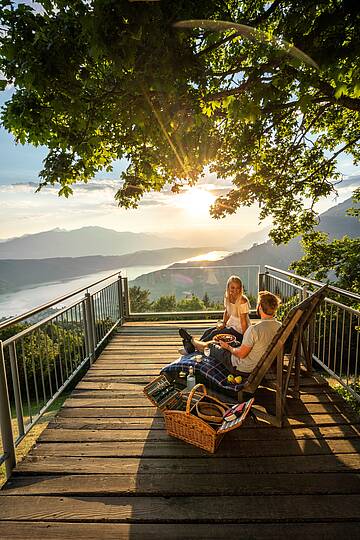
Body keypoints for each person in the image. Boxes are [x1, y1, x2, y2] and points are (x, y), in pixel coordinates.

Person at [179, 291, 281, 376]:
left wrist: (228, 347)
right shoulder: (279, 326)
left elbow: (241, 354)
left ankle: (192, 341)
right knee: (230, 342)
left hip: (242, 367)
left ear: (260, 308)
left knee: (211, 345)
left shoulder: (254, 330)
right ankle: (194, 344)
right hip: (262, 364)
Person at [199, 275, 251, 343]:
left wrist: (245, 339)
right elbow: (227, 312)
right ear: (228, 287)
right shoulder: (228, 297)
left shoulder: (242, 301)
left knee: (215, 333)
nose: (235, 290)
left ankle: (196, 346)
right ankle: (193, 346)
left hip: (239, 331)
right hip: (231, 325)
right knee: (207, 331)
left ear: (241, 288)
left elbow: (244, 322)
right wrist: (224, 323)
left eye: (237, 288)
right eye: (232, 287)